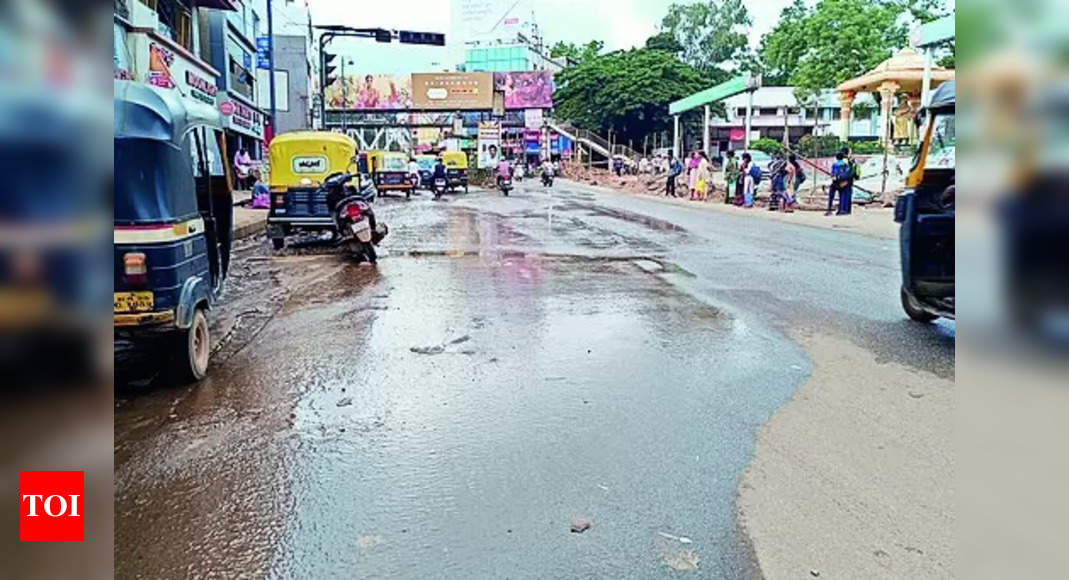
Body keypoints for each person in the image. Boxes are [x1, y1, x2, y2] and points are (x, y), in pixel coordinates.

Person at [829, 149, 853, 215]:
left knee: (833, 196)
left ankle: (830, 210)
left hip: (836, 181)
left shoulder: (835, 164)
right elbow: (849, 173)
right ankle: (844, 210)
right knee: (844, 197)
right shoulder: (847, 162)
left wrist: (835, 178)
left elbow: (833, 173)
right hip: (845, 181)